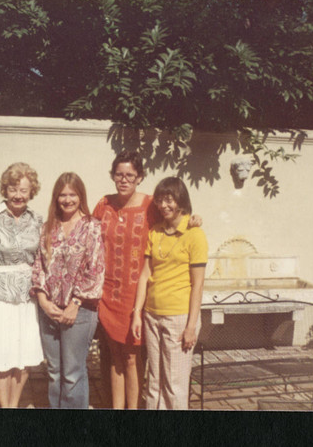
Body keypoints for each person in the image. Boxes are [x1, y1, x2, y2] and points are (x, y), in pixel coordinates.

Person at [93, 151, 202, 409]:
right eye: (119, 174)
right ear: (112, 175)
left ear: (139, 177)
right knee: (115, 357)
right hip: (109, 294)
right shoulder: (103, 205)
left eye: (130, 175)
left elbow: (176, 216)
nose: (124, 179)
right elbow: (88, 233)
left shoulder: (151, 205)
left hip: (137, 295)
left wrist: (194, 220)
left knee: (132, 357)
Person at [131, 177, 208, 410]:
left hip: (178, 318)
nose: (164, 205)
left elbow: (198, 284)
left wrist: (191, 326)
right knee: (154, 380)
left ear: (181, 201)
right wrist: (137, 313)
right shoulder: (155, 233)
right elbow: (145, 275)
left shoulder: (195, 235)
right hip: (152, 315)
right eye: (160, 201)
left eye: (169, 200)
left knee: (175, 384)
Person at [31, 172, 105, 409]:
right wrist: (43, 301)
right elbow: (39, 265)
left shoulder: (92, 227)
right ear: (56, 197)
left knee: (72, 373)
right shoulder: (47, 227)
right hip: (49, 310)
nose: (67, 200)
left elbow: (95, 268)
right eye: (62, 195)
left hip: (80, 312)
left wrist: (75, 305)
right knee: (54, 371)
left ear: (80, 196)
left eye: (72, 194)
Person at [0, 163, 45, 408]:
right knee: (2, 353)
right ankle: (4, 406)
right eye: (13, 189)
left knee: (24, 353)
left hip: (27, 296)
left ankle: (14, 405)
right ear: (5, 190)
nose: (18, 195)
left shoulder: (37, 220)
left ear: (32, 192)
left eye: (24, 190)